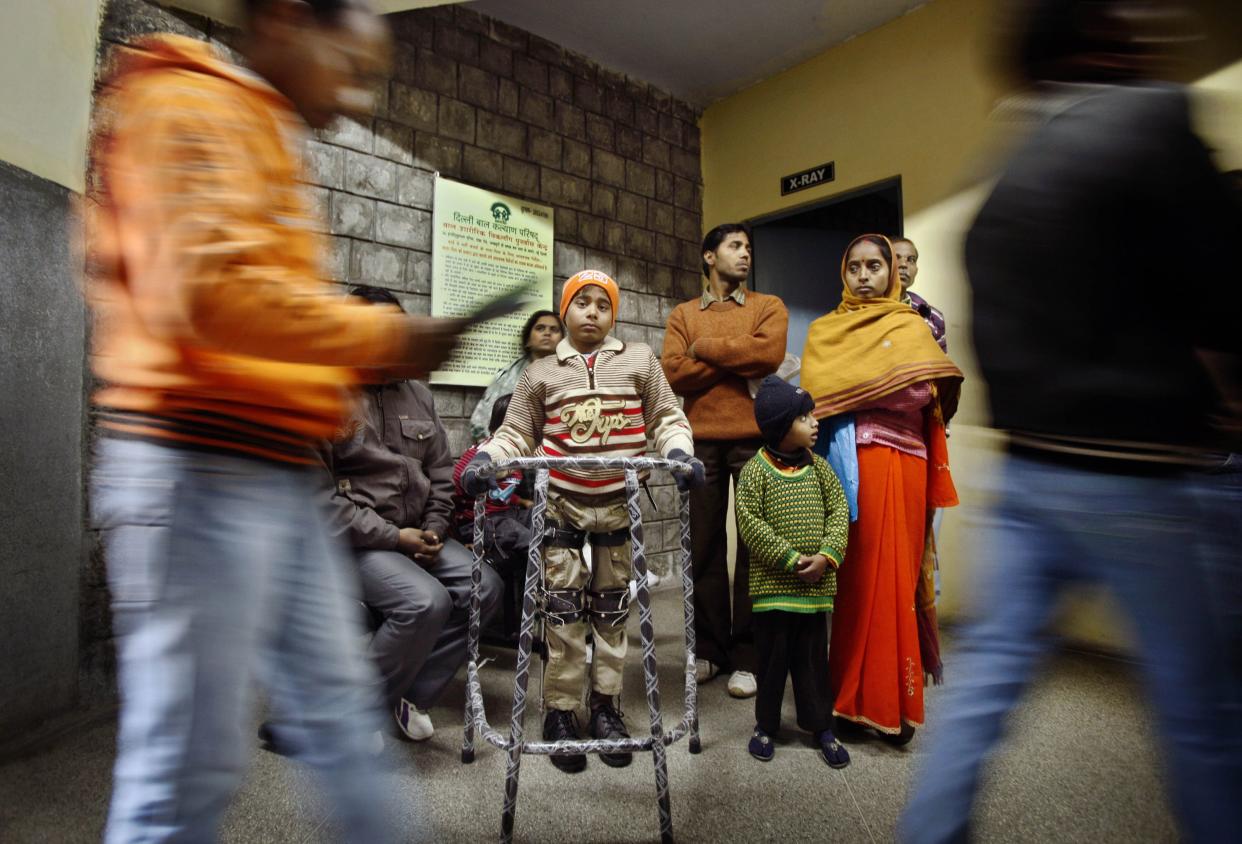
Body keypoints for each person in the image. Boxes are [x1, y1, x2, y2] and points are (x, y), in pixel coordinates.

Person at [83, 2, 467, 840]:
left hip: (276, 476)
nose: (361, 100)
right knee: (187, 765)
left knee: (339, 721)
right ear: (290, 19)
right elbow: (208, 297)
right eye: (354, 67)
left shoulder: (264, 131)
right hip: (194, 468)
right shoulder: (183, 104)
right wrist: (385, 337)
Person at [899, 2, 1242, 841]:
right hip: (1146, 476)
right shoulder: (1152, 120)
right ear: (1098, 44)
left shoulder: (996, 203)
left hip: (1027, 477)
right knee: (1203, 710)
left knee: (983, 684)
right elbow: (1225, 298)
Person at [462, 270, 704, 773]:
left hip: (621, 505)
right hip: (562, 507)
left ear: (612, 313)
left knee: (612, 614)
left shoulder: (638, 359)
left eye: (602, 304)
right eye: (581, 302)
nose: (591, 311)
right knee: (564, 614)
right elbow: (518, 432)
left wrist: (680, 453)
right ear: (565, 309)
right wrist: (488, 460)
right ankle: (562, 713)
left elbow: (665, 416)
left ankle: (607, 708)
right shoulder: (542, 373)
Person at [802, 234, 963, 745]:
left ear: (892, 273)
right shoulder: (827, 330)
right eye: (855, 267)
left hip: (907, 464)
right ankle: (849, 702)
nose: (865, 275)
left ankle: (897, 703)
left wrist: (865, 389)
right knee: (855, 582)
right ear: (843, 273)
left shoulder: (911, 326)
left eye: (875, 265)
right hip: (854, 466)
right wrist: (883, 385)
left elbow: (923, 394)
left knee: (897, 582)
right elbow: (816, 396)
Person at [324, 285, 503, 741]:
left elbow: (441, 470)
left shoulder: (418, 395)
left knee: (485, 587)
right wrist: (393, 537)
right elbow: (316, 500)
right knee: (424, 601)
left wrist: (434, 526)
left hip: (420, 534)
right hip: (354, 541)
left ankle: (409, 692)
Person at [662, 223, 789, 699]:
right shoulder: (683, 313)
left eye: (749, 247)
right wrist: (740, 357)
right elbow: (674, 373)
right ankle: (710, 650)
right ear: (709, 257)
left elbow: (770, 354)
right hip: (698, 443)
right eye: (736, 246)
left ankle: (748, 657)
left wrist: (705, 349)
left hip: (755, 440)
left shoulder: (767, 306)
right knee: (704, 547)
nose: (746, 254)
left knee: (756, 548)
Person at [735, 376, 851, 768]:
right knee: (770, 664)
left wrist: (826, 555)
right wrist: (789, 559)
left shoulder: (821, 470)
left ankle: (822, 726)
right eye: (805, 416)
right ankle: (765, 725)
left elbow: (838, 513)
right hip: (772, 592)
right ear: (783, 426)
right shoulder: (755, 472)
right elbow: (750, 523)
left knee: (813, 663)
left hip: (814, 594)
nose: (815, 422)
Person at [453, 393, 533, 642]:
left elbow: (504, 493)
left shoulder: (518, 455)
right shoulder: (482, 452)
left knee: (541, 517)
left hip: (504, 514)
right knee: (528, 538)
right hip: (480, 521)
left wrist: (521, 502)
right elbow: (458, 481)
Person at [469, 310, 564, 443]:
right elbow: (482, 420)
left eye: (554, 329)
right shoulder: (508, 375)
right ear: (528, 341)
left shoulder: (570, 373)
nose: (547, 333)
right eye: (540, 328)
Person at [892, 237, 947, 352]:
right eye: (896, 257)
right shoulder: (865, 310)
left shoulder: (933, 316)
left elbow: (941, 364)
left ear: (916, 269)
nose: (903, 265)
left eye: (911, 259)